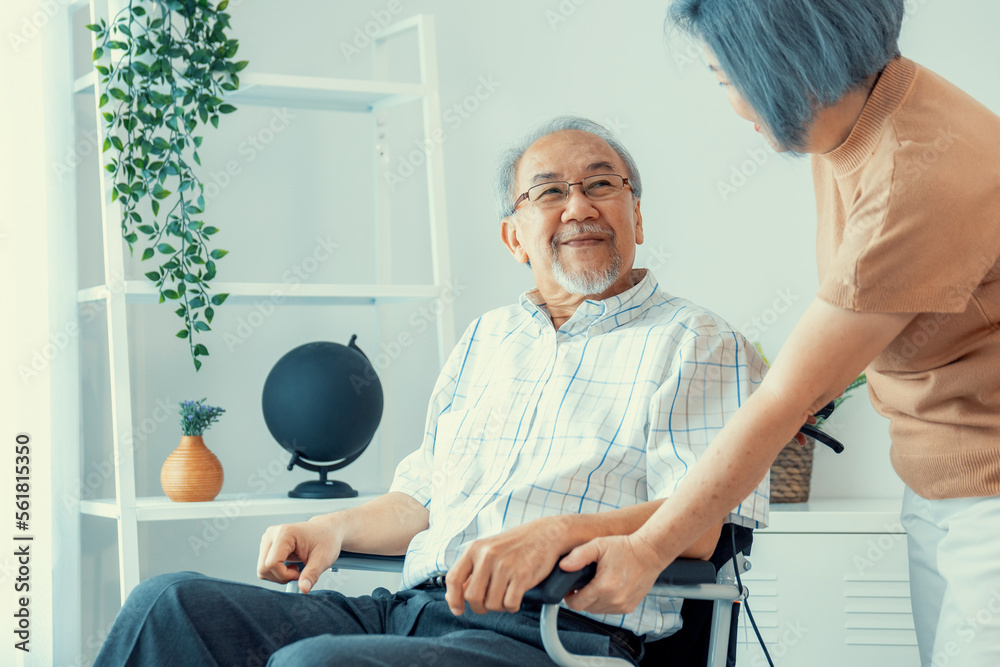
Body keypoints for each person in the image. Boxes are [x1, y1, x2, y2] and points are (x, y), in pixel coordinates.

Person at [93, 116, 772, 667]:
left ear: (637, 214)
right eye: (549, 192)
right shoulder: (487, 338)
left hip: (556, 638)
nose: (580, 207)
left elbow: (700, 523)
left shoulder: (698, 340)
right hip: (411, 607)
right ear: (514, 235)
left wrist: (556, 534)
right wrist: (327, 526)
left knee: (316, 664)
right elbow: (418, 501)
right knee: (168, 604)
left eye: (602, 184)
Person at [557, 3, 1000, 666]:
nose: (733, 104)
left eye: (723, 77)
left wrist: (649, 549)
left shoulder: (916, 171)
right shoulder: (852, 115)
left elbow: (787, 394)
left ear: (789, 63)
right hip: (940, 481)